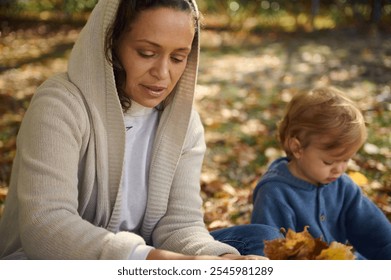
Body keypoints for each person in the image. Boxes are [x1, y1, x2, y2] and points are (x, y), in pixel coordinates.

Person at [0, 0, 281, 260]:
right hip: (55, 264)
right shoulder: (60, 104)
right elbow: (45, 227)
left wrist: (223, 261)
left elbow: (179, 226)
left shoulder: (185, 124)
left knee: (262, 241)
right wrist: (152, 260)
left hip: (146, 262)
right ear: (111, 43)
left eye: (177, 58)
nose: (162, 73)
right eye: (147, 53)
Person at [251, 86, 391, 260]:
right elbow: (269, 252)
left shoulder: (343, 186)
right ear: (297, 148)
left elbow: (379, 237)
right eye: (329, 162)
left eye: (346, 160)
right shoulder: (274, 193)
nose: (339, 169)